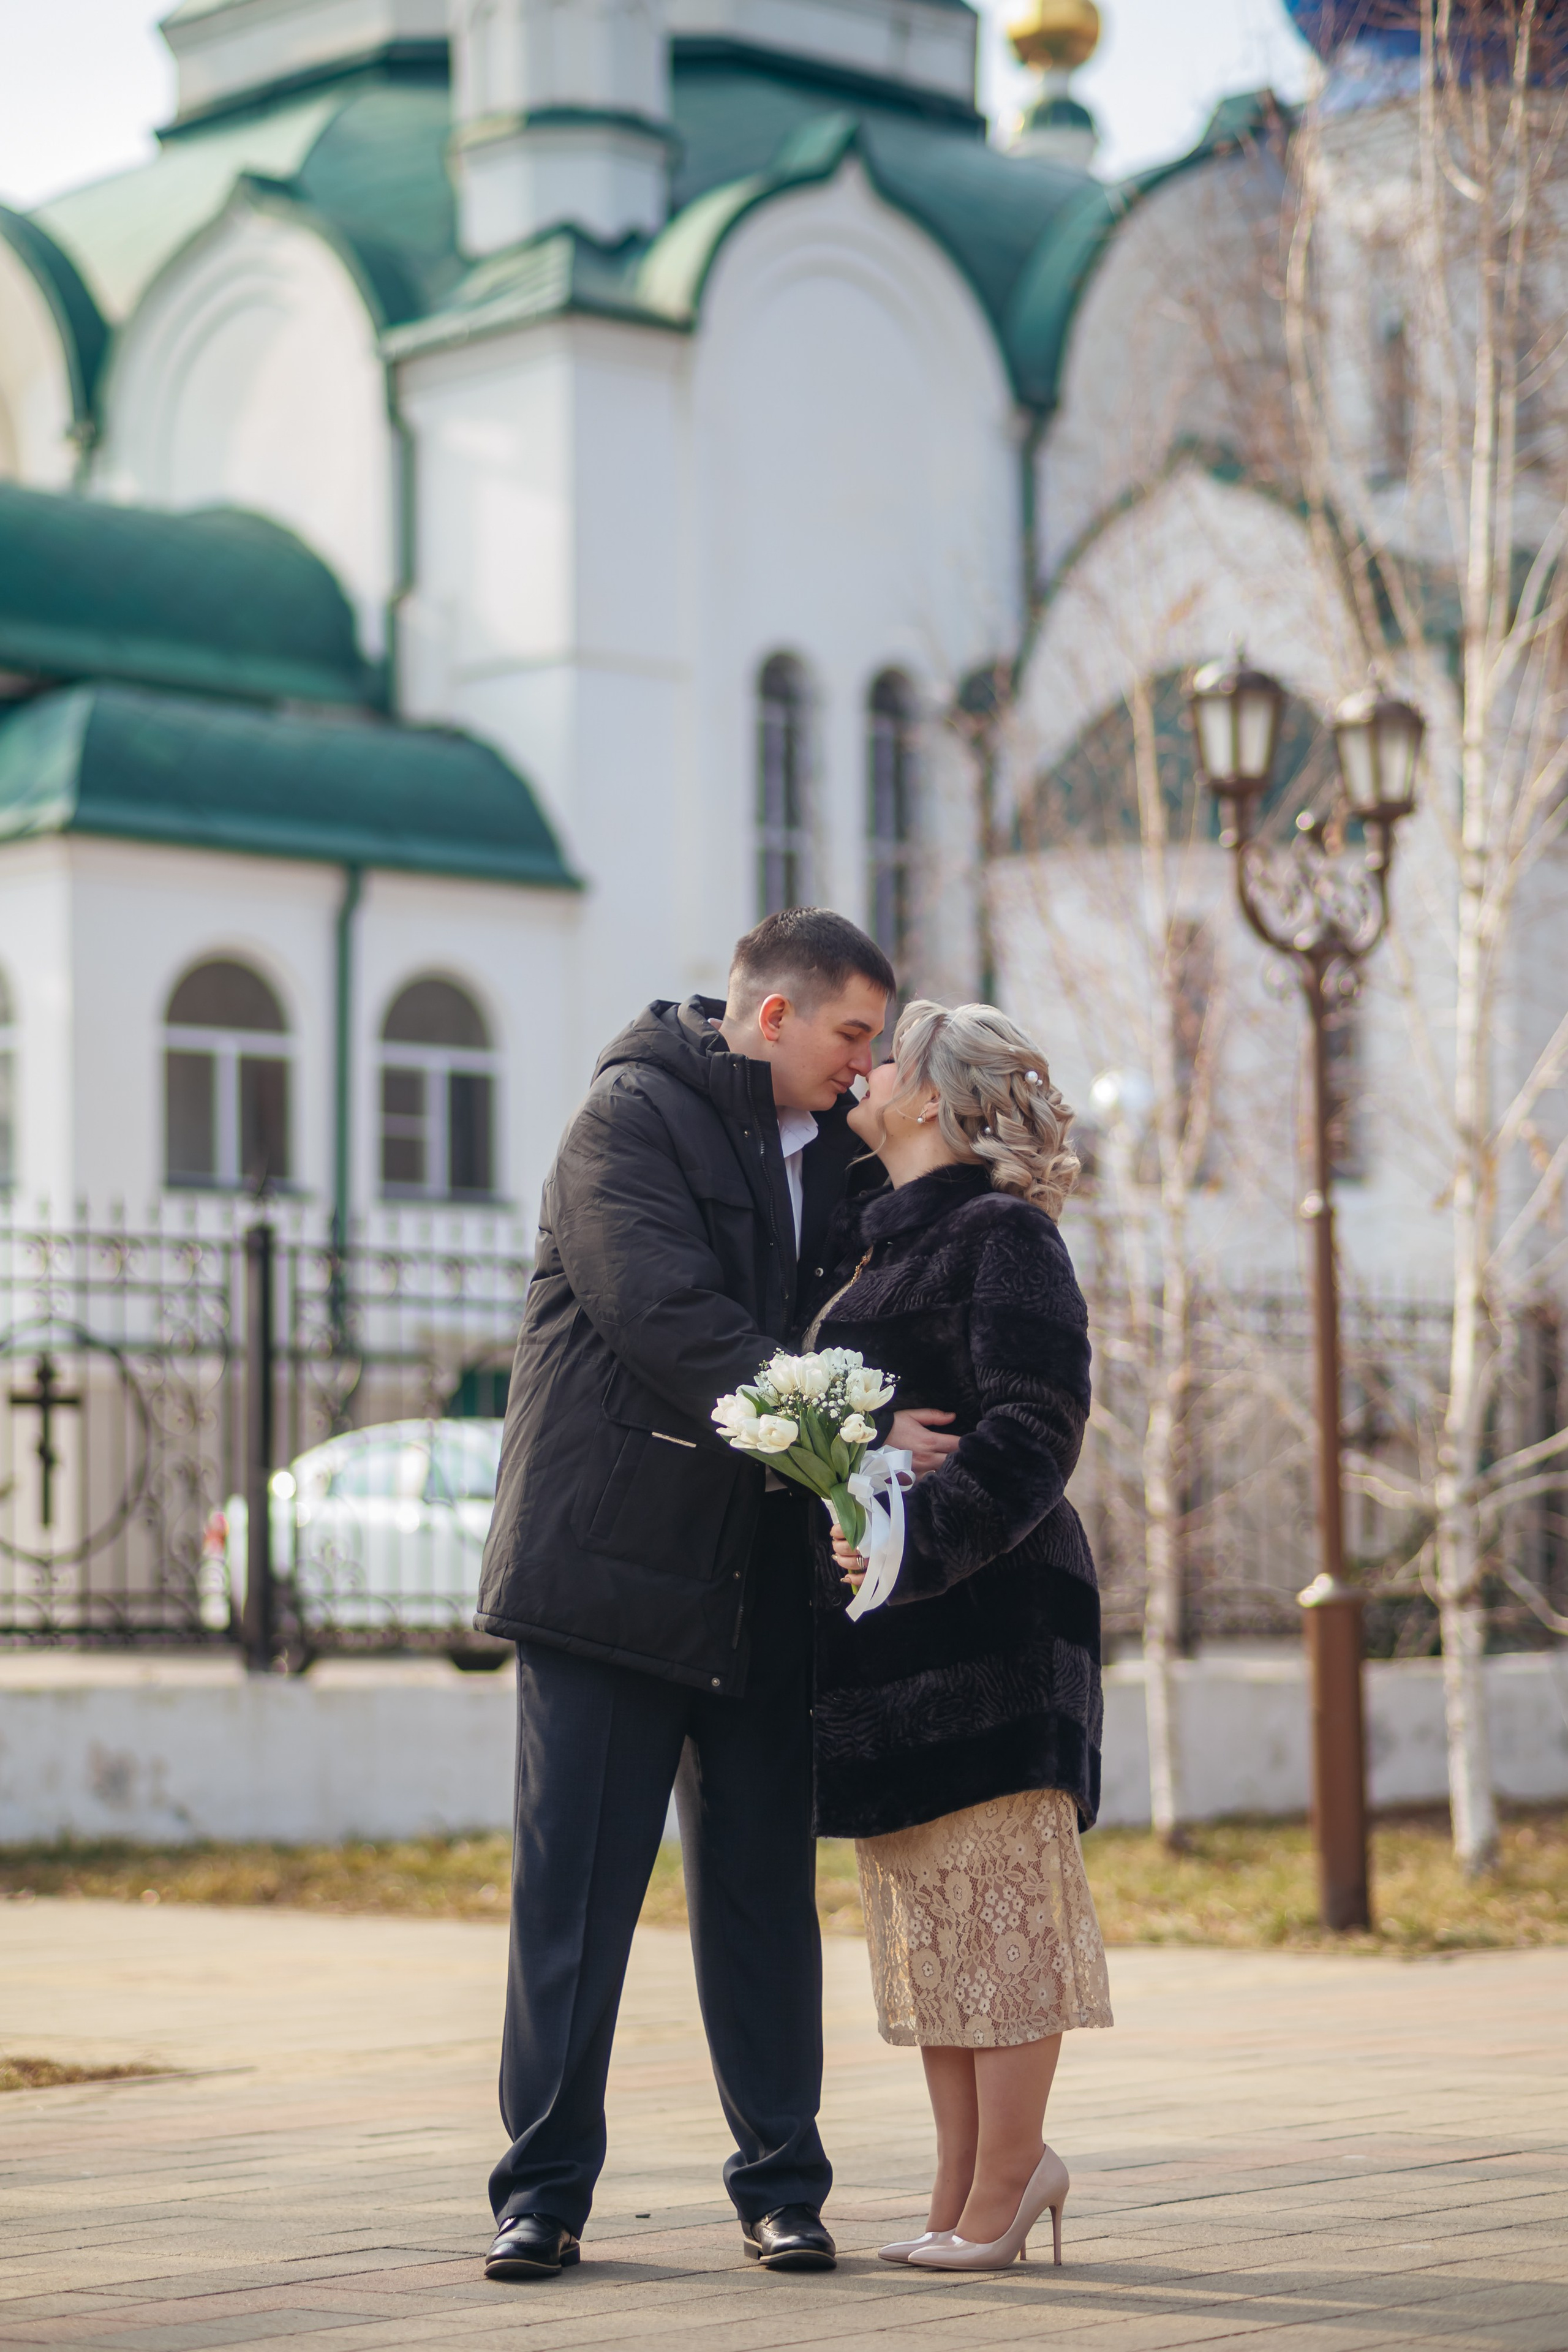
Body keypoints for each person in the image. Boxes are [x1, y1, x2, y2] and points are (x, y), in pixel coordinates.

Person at [472, 911, 960, 2282]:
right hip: (608, 1577)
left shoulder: (849, 1156)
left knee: (758, 1896)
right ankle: (542, 2197)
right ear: (771, 1019)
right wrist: (854, 1436)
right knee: (575, 1902)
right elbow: (670, 1318)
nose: (865, 1067)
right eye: (852, 1035)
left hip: (762, 1587)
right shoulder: (624, 1124)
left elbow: (909, 1293)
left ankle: (782, 2189)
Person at [805, 998, 1113, 2274]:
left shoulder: (1002, 1236)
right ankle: (957, 2194)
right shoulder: (873, 1254)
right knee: (934, 1940)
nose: (862, 1069)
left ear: (931, 1100)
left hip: (991, 1633)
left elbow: (1036, 1427)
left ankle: (1007, 2182)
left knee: (999, 1931)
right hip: (891, 1652)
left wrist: (910, 1541)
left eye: (887, 1056)